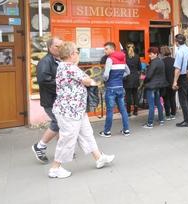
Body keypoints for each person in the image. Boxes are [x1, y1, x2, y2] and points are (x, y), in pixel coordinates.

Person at [49, 41, 114, 179]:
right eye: (77, 52)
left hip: (76, 110)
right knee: (67, 139)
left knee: (87, 134)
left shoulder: (64, 66)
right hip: (70, 111)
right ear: (72, 54)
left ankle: (99, 158)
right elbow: (88, 80)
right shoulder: (70, 67)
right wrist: (92, 81)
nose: (78, 55)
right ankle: (55, 168)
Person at [32, 37, 63, 164]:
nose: (60, 48)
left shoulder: (58, 60)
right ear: (50, 47)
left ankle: (62, 151)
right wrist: (63, 83)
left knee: (61, 124)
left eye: (62, 46)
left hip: (58, 99)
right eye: (57, 46)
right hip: (51, 100)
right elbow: (44, 80)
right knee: (57, 123)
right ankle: (39, 146)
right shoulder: (45, 61)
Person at [99, 42, 130, 137]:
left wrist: (105, 80)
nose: (105, 51)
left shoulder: (109, 59)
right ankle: (126, 130)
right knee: (123, 110)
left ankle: (107, 132)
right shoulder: (123, 59)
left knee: (110, 111)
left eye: (106, 49)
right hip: (120, 87)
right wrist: (119, 77)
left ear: (112, 49)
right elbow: (128, 72)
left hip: (111, 88)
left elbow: (106, 75)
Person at [172, 34, 188, 127]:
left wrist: (175, 81)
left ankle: (187, 120)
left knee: (183, 99)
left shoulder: (179, 52)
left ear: (177, 42)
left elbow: (177, 69)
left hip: (183, 77)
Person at [143, 47, 167, 128]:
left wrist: (144, 81)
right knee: (158, 103)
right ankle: (161, 120)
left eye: (151, 54)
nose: (149, 55)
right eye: (149, 54)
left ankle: (150, 123)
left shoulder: (153, 63)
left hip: (151, 86)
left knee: (151, 105)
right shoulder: (161, 61)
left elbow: (149, 75)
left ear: (156, 54)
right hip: (158, 85)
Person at [124, 43, 142, 116]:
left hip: (127, 77)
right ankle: (135, 111)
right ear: (134, 48)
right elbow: (140, 68)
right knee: (135, 94)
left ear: (126, 48)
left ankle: (128, 112)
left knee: (128, 95)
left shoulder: (125, 57)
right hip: (135, 77)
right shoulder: (137, 57)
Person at [160, 46, 176, 120]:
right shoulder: (174, 60)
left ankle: (168, 114)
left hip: (165, 83)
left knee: (166, 99)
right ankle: (173, 113)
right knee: (172, 98)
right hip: (173, 82)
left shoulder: (162, 62)